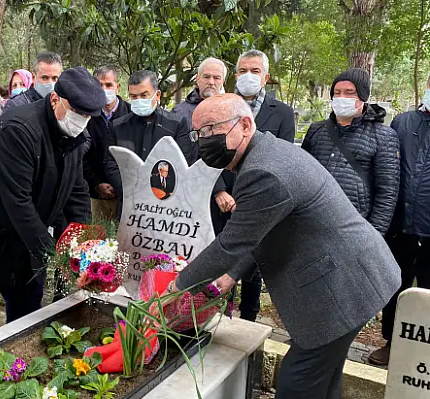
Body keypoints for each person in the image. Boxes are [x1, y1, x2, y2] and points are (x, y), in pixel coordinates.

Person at [162, 94, 400, 399]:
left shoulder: (264, 171)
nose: (204, 140)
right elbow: (260, 230)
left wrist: (175, 289)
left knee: (297, 383)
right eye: (199, 133)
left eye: (211, 129)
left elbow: (231, 243)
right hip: (351, 276)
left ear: (245, 125)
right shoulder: (266, 153)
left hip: (342, 288)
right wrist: (232, 274)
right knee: (323, 381)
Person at [0, 67, 104, 345]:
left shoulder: (76, 138)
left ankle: (17, 377)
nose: (82, 120)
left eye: (88, 115)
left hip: (24, 242)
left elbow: (77, 194)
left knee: (26, 320)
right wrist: (59, 260)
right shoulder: (18, 130)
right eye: (77, 111)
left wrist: (84, 247)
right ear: (55, 100)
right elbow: (18, 203)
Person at [220, 50, 296, 323]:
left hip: (259, 203)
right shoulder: (222, 107)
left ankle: (248, 319)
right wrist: (219, 190)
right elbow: (209, 153)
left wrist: (253, 197)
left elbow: (283, 158)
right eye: (243, 71)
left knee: (253, 263)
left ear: (266, 77)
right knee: (221, 259)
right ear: (235, 74)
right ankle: (218, 313)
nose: (248, 76)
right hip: (223, 199)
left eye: (255, 71)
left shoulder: (283, 114)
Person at [368, 74, 430, 366]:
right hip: (400, 223)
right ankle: (392, 342)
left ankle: (423, 353)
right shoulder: (403, 122)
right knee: (396, 285)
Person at [302, 68, 400, 235]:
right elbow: (302, 174)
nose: (342, 98)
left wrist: (374, 235)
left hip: (354, 227)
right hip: (312, 221)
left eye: (349, 93)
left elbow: (387, 192)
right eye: (337, 93)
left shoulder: (383, 136)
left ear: (362, 96)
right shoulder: (316, 130)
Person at [104, 70, 194, 218]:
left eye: (144, 95)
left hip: (166, 208)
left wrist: (157, 194)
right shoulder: (117, 127)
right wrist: (129, 191)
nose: (139, 99)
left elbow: (182, 164)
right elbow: (111, 164)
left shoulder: (176, 125)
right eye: (134, 96)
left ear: (157, 95)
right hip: (128, 205)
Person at [83, 66, 131, 221]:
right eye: (99, 85)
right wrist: (97, 184)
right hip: (96, 196)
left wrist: (119, 185)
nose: (104, 89)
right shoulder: (85, 117)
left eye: (109, 85)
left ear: (118, 87)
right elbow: (82, 155)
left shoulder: (132, 115)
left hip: (128, 196)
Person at [172, 57, 227, 132]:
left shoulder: (230, 111)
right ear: (197, 79)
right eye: (206, 77)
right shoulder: (179, 112)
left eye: (216, 78)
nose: (211, 82)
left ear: (223, 82)